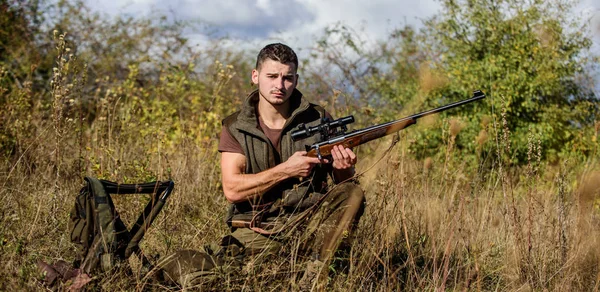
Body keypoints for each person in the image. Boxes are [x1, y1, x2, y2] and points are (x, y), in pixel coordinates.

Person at [157, 43, 365, 290]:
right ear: (255, 76)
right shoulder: (235, 126)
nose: (280, 85)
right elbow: (233, 189)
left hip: (310, 226)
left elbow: (343, 185)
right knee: (183, 267)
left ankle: (313, 279)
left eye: (287, 77)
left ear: (296, 80)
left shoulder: (318, 119)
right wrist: (287, 170)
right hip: (255, 231)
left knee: (353, 192)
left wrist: (344, 167)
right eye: (272, 76)